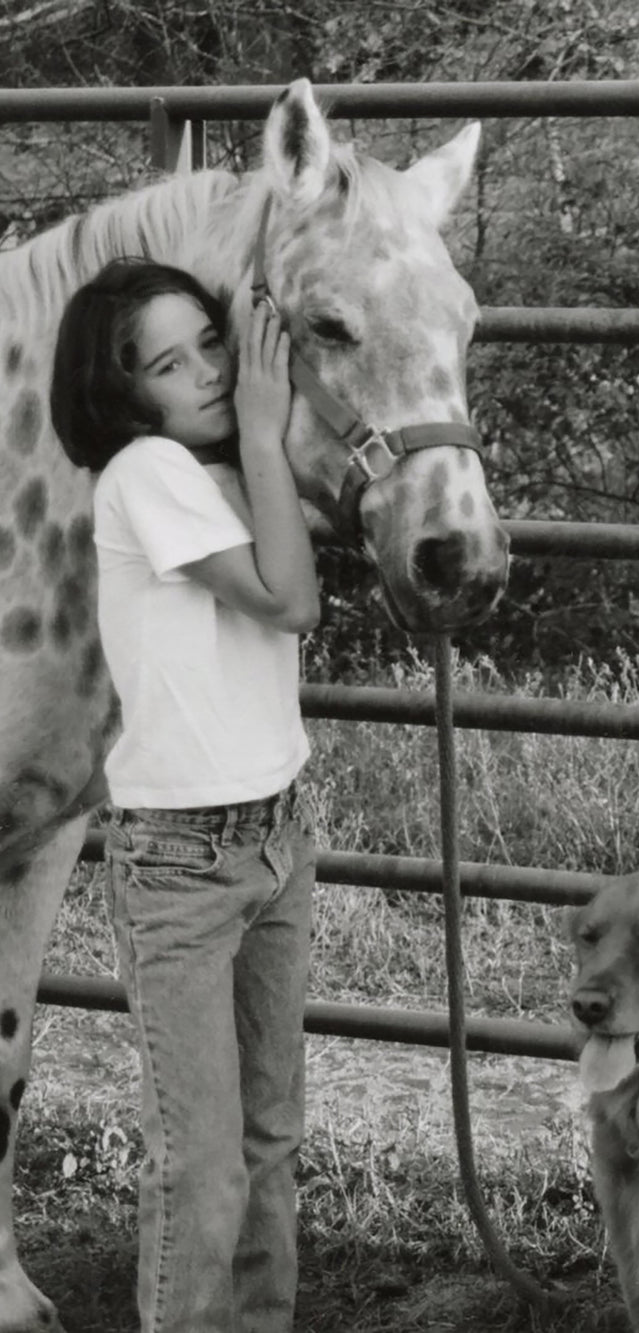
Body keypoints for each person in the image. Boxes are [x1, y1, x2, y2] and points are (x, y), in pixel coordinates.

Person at [51, 257, 320, 1333]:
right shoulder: (148, 472)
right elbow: (292, 599)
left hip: (279, 830)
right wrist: (263, 426)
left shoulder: (235, 469)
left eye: (213, 342)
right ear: (126, 397)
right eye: (171, 363)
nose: (209, 373)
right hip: (183, 860)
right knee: (201, 1165)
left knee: (271, 1143)